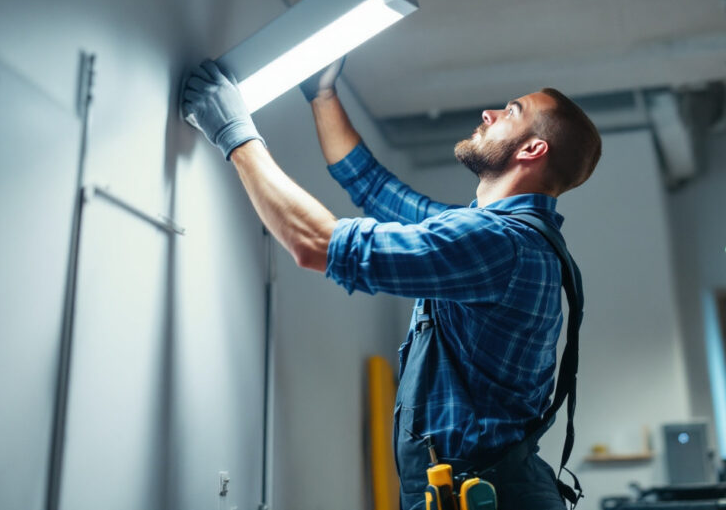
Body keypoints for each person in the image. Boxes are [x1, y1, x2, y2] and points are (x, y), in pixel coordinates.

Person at [181, 59, 601, 510]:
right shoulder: (502, 238)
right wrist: (323, 95)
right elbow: (374, 189)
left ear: (532, 150)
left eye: (510, 112)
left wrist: (235, 134)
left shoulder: (499, 245)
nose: (489, 114)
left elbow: (317, 244)